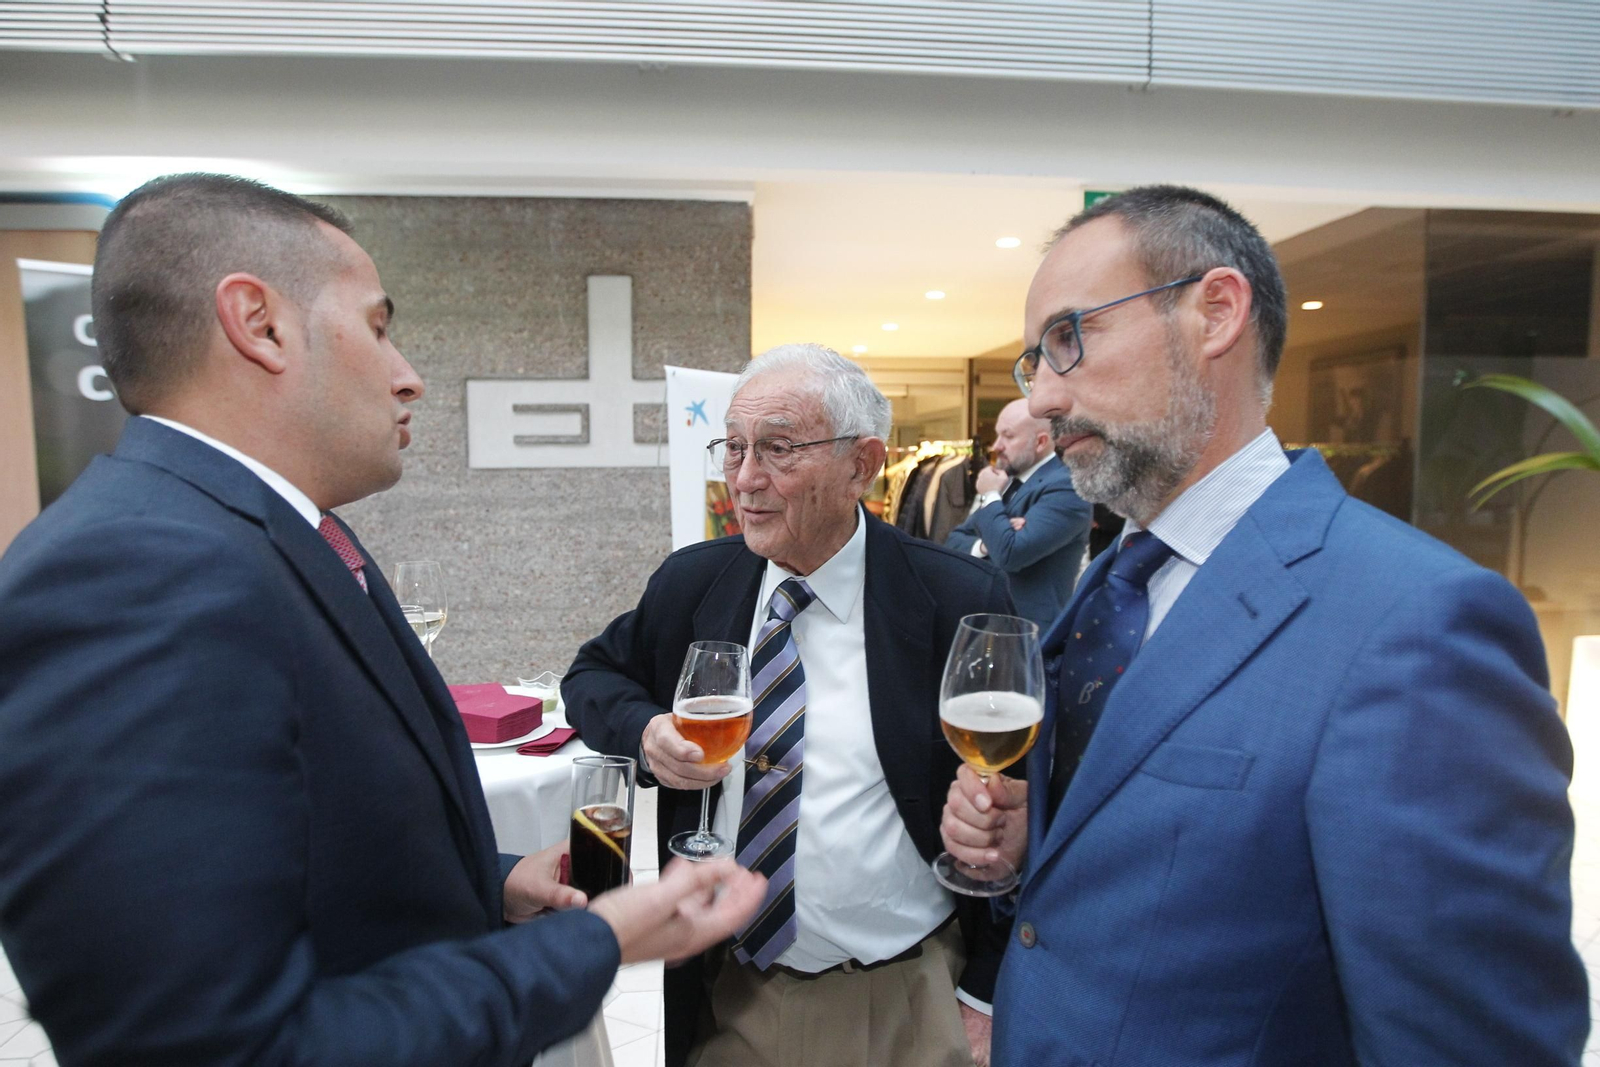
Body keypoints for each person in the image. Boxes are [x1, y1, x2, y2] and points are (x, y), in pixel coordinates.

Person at [0, 173, 765, 1067]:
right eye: (376, 325)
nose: (410, 376)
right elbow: (208, 1043)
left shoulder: (286, 537)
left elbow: (289, 841)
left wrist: (489, 881)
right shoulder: (133, 573)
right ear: (259, 323)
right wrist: (597, 941)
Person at [941, 185, 1589, 1066]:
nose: (1046, 396)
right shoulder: (1111, 581)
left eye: (1069, 339)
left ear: (1215, 312)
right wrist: (1031, 846)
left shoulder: (1417, 625)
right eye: (1036, 361)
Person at [565, 343, 1016, 1067]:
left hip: (905, 998)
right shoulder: (695, 584)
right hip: (726, 993)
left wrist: (986, 992)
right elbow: (591, 675)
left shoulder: (954, 601)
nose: (744, 480)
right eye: (734, 448)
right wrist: (648, 732)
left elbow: (1015, 810)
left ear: (862, 465)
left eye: (776, 449)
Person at [945, 398, 1091, 628]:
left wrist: (991, 495)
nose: (996, 446)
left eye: (1008, 436)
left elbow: (1011, 554)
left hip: (1029, 635)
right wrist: (985, 545)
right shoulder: (1008, 480)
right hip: (986, 625)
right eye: (997, 435)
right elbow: (953, 541)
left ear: (1041, 442)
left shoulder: (1067, 487)